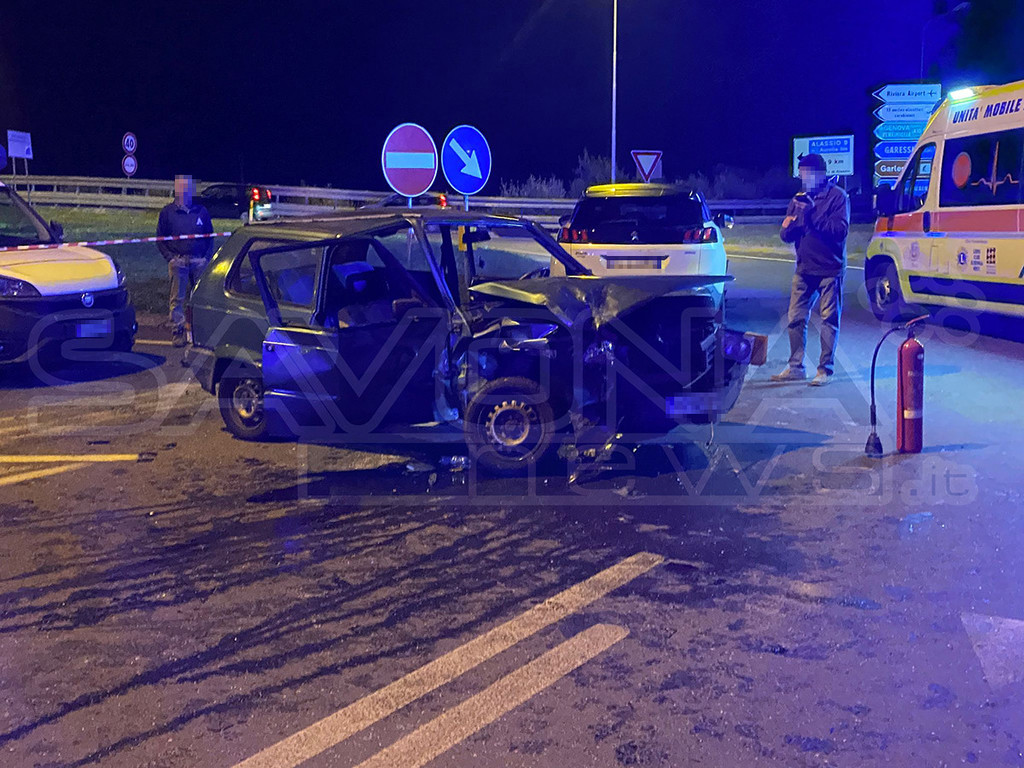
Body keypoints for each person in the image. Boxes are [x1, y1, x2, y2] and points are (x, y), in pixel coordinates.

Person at [771, 153, 850, 387]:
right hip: (804, 268)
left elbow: (839, 230)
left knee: (828, 320)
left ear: (821, 174)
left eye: (808, 173)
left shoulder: (838, 197)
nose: (804, 178)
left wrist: (810, 215)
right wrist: (790, 226)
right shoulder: (799, 199)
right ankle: (796, 367)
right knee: (795, 318)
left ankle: (825, 369)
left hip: (830, 268)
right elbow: (786, 233)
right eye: (801, 174)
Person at [157, 175, 214, 347]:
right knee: (177, 299)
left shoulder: (201, 212)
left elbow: (210, 236)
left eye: (188, 188)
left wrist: (206, 258)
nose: (185, 192)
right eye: (182, 188)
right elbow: (160, 239)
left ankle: (200, 333)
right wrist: (171, 258)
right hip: (178, 262)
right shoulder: (167, 213)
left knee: (201, 298)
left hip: (199, 261)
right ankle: (178, 331)